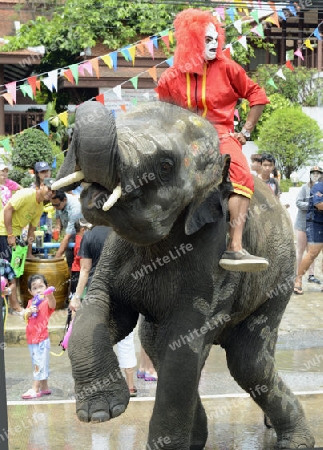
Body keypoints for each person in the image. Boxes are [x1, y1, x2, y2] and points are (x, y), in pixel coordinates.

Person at [157, 8, 269, 272]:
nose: (214, 44)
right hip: (183, 137)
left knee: (243, 177)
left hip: (221, 135)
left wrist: (246, 131)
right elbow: (163, 117)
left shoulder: (228, 68)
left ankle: (235, 247)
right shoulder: (170, 78)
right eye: (206, 40)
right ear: (190, 41)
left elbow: (258, 96)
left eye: (214, 38)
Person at [0, 182, 52, 314]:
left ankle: (9, 304)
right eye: (49, 188)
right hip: (3, 231)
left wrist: (28, 252)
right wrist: (10, 234)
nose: (50, 192)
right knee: (9, 270)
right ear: (41, 185)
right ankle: (15, 306)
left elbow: (31, 230)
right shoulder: (27, 193)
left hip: (15, 235)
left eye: (53, 191)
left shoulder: (39, 207)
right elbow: (7, 209)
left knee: (13, 269)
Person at [22, 274, 56, 399]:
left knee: (39, 364)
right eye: (35, 288)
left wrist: (50, 294)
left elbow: (53, 305)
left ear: (46, 287)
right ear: (30, 291)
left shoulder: (46, 301)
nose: (38, 290)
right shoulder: (31, 302)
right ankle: (44, 387)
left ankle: (35, 389)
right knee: (40, 363)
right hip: (32, 339)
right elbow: (24, 316)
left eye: (41, 286)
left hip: (41, 339)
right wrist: (28, 311)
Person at [294, 173, 323, 295]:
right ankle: (298, 280)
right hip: (316, 223)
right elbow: (319, 204)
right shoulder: (319, 187)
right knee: (312, 253)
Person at [48, 187, 83, 266]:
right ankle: (71, 274)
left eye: (56, 205)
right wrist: (58, 227)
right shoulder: (58, 202)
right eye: (52, 204)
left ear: (64, 200)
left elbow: (67, 236)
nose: (54, 207)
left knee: (80, 260)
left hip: (83, 232)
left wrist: (55, 259)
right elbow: (58, 216)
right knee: (69, 259)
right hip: (70, 231)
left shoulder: (75, 208)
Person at [70, 218, 91, 293]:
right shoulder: (81, 242)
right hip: (78, 271)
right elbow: (82, 259)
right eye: (88, 229)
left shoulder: (78, 239)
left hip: (76, 270)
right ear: (83, 229)